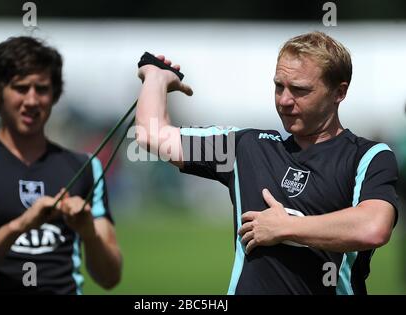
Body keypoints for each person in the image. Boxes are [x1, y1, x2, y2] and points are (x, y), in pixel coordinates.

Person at [135, 31, 398, 294]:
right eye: (278, 86)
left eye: (299, 90)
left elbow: (373, 227)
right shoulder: (247, 148)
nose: (284, 100)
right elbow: (152, 134)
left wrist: (286, 227)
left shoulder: (367, 156)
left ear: (338, 92)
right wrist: (155, 78)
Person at [0, 36, 122, 294]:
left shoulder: (86, 167)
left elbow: (110, 278)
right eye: (21, 88)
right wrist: (19, 226)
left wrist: (89, 234)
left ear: (55, 95)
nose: (32, 100)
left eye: (42, 89)